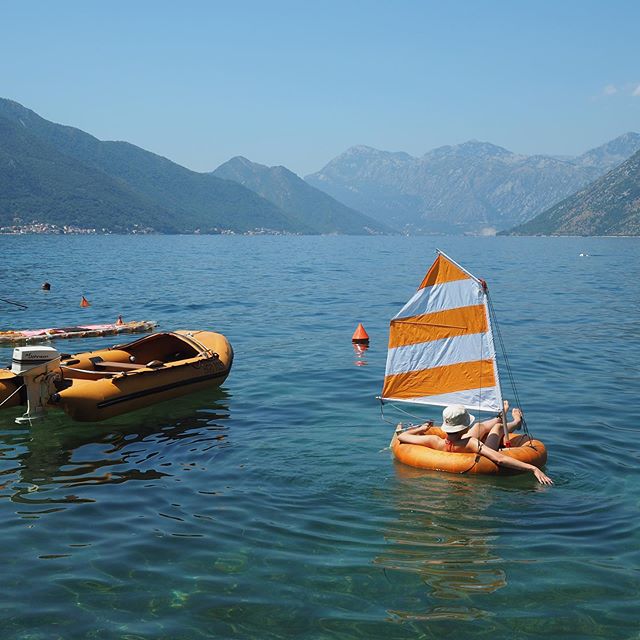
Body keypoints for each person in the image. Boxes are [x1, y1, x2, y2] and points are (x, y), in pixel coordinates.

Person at [396, 403, 553, 485]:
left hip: (454, 447)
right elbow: (499, 459)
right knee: (497, 428)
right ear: (464, 427)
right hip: (472, 454)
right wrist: (533, 468)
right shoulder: (471, 443)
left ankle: (500, 416)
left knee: (478, 426)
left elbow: (402, 437)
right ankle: (514, 422)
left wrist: (422, 428)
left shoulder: (434, 441)